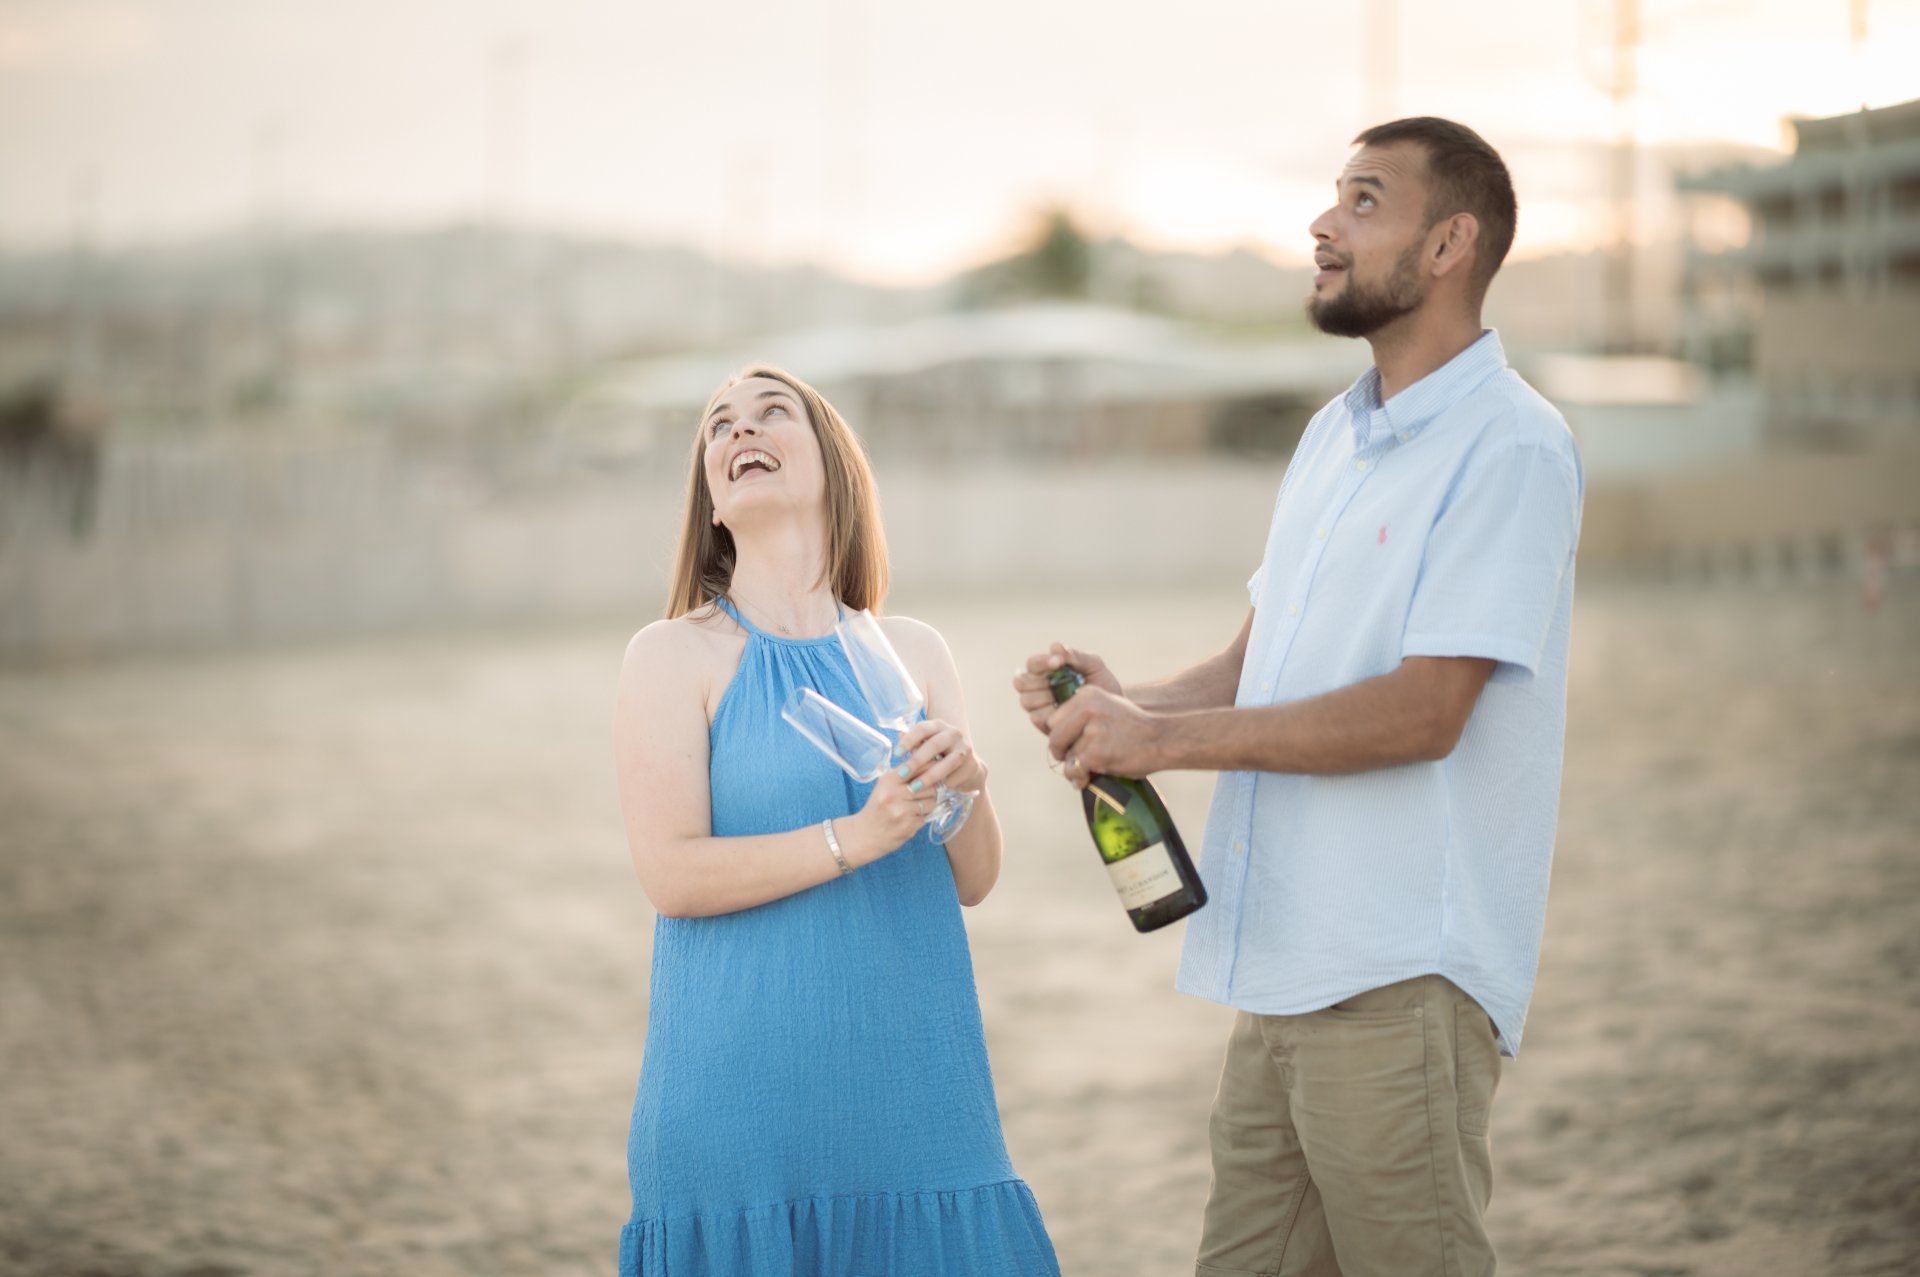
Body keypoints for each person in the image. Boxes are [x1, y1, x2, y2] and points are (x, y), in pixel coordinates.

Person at [1014, 117, 1584, 1276]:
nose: (1322, 224)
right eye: (1332, 196)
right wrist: (1130, 703)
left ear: (1449, 245)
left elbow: (1425, 711)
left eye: (1364, 201)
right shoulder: (1336, 435)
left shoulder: (1511, 446)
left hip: (1398, 975)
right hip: (1276, 968)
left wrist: (1165, 739)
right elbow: (1257, 662)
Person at [613, 365, 1059, 1275]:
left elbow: (974, 878)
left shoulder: (915, 651)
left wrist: (967, 784)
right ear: (711, 494)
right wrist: (856, 837)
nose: (741, 428)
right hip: (742, 1109)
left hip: (918, 1099)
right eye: (717, 425)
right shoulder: (671, 655)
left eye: (773, 410)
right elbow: (672, 874)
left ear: (833, 463)